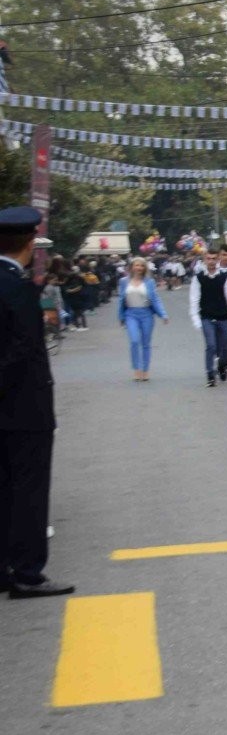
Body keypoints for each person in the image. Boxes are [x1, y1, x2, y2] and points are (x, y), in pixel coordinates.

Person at [0, 208, 70, 597]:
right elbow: (23, 351)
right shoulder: (19, 288)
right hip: (24, 407)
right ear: (30, 244)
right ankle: (27, 572)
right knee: (28, 492)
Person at [188, 247, 227, 387]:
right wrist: (195, 317)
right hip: (206, 316)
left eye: (214, 259)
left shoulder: (225, 278)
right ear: (204, 260)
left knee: (226, 348)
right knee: (211, 345)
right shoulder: (198, 278)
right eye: (208, 258)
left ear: (217, 259)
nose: (211, 261)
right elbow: (194, 299)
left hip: (223, 316)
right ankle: (210, 374)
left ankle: (221, 365)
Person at [116, 257, 168, 382]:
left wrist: (163, 314)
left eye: (141, 266)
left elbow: (155, 299)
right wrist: (121, 316)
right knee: (134, 341)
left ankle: (145, 370)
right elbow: (121, 300)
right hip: (131, 314)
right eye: (136, 265)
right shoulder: (124, 281)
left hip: (146, 314)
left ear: (144, 268)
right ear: (131, 267)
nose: (139, 268)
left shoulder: (149, 282)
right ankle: (137, 370)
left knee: (145, 343)